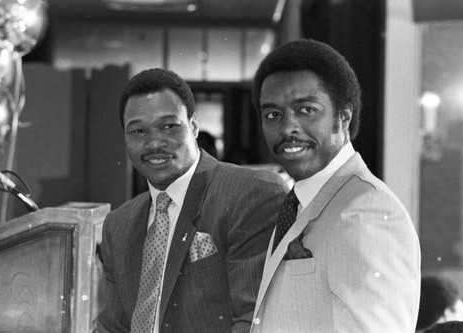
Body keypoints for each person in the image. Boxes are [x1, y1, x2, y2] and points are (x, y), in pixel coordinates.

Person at [95, 68, 288, 332]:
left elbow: (255, 319)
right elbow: (112, 327)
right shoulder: (118, 225)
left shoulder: (249, 193)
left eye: (169, 126)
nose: (154, 143)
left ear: (194, 126)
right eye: (138, 131)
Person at [249, 39, 421, 332]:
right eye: (272, 114)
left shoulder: (366, 208)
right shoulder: (299, 200)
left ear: (343, 117)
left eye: (306, 110)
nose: (288, 127)